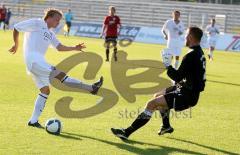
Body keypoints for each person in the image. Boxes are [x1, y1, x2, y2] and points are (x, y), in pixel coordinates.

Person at [9, 8, 103, 128]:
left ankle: (33, 121)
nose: (58, 23)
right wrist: (16, 44)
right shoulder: (37, 23)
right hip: (34, 61)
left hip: (38, 63)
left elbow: (59, 47)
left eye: (59, 20)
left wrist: (74, 48)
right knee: (61, 75)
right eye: (57, 20)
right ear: (49, 17)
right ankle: (91, 88)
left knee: (45, 91)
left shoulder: (50, 33)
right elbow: (17, 27)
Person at [111, 26, 206, 140]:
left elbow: (177, 76)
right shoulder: (199, 52)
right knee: (158, 95)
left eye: (186, 34)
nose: (185, 36)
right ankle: (166, 126)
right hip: (188, 90)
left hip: (187, 95)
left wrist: (167, 65)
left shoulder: (190, 55)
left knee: (152, 104)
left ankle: (126, 132)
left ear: (190, 37)